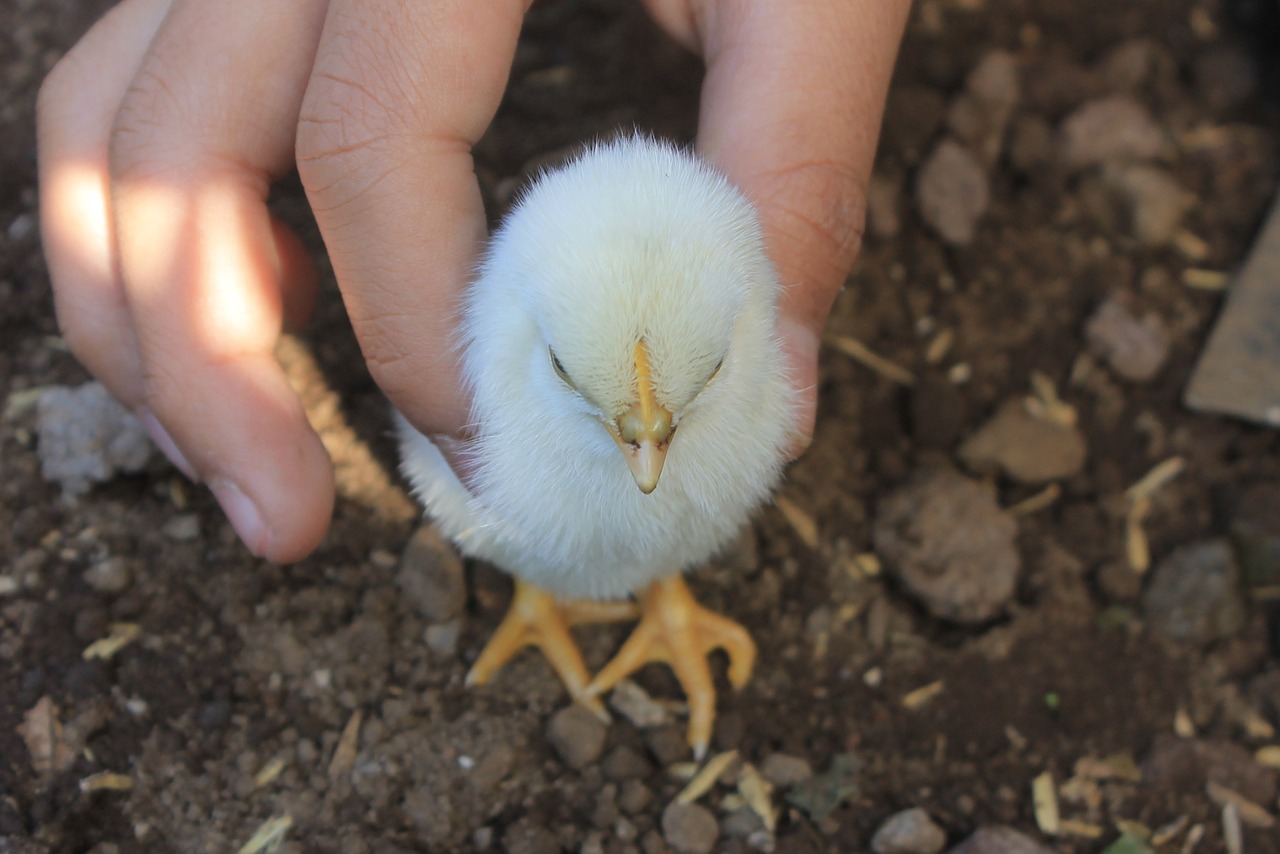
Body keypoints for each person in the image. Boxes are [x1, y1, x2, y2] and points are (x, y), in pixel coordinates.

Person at [36, 0, 911, 563]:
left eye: (709, 374)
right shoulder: (507, 343)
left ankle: (656, 595)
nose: (648, 450)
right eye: (575, 374)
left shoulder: (713, 336)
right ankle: (547, 594)